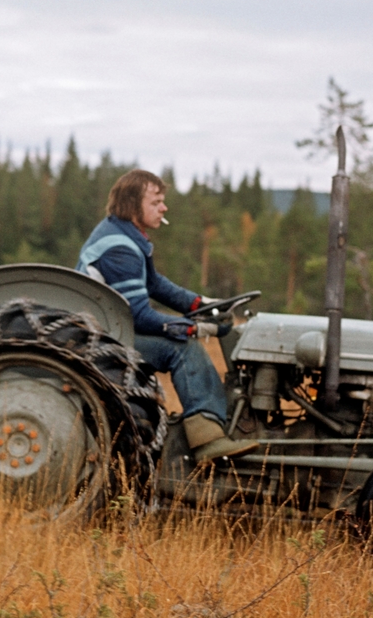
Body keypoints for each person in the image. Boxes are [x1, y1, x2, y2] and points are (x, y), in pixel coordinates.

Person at [76, 169, 258, 463]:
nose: (164, 208)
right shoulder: (119, 248)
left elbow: (154, 284)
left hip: (111, 327)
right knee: (183, 350)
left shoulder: (122, 234)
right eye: (156, 201)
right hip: (105, 338)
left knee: (185, 341)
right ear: (133, 205)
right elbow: (139, 315)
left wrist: (202, 304)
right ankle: (207, 439)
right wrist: (194, 329)